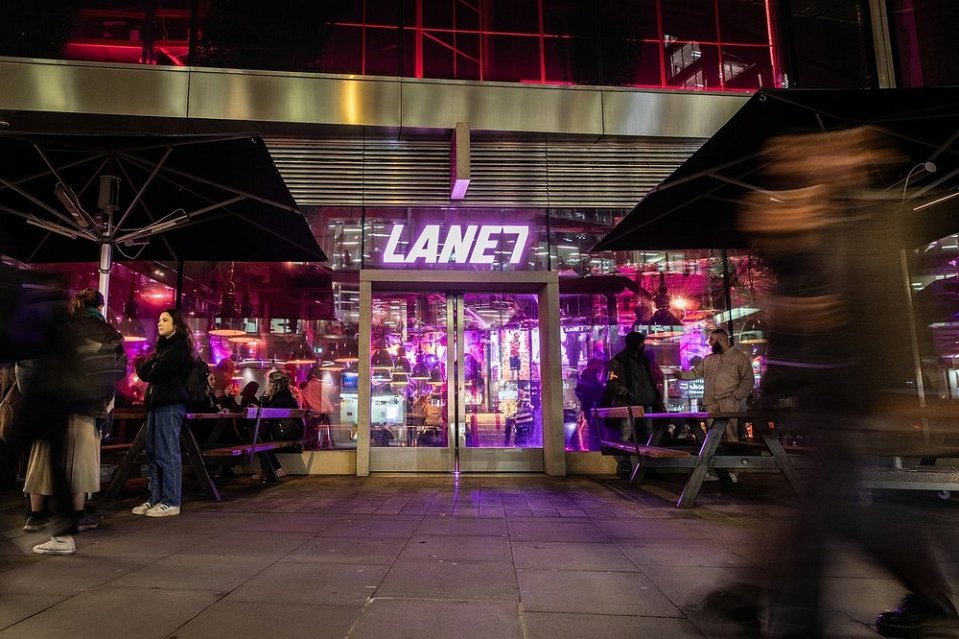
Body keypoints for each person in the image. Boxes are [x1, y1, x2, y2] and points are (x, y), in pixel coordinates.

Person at [733, 128, 958, 638]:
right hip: (828, 395)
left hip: (854, 394)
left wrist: (897, 388)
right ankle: (928, 601)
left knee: (826, 513)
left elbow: (889, 315)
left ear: (852, 161)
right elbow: (791, 318)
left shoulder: (869, 226)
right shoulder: (823, 226)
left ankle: (772, 609)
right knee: (833, 510)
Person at [23, 288, 126, 548]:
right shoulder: (108, 332)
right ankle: (77, 515)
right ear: (100, 307)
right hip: (88, 403)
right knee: (80, 461)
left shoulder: (61, 326)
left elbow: (32, 362)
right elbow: (119, 369)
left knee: (43, 458)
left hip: (51, 401)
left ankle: (36, 515)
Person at [133, 308, 193, 518]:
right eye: (159, 320)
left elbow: (155, 373)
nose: (159, 323)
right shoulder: (163, 348)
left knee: (167, 453)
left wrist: (147, 366)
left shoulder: (178, 347)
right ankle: (155, 497)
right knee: (153, 452)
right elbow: (146, 372)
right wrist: (148, 367)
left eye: (165, 320)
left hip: (169, 404)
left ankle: (171, 500)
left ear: (175, 324)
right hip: (157, 403)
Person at [603, 331, 665, 478]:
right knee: (627, 435)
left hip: (644, 404)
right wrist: (628, 393)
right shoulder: (618, 361)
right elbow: (612, 382)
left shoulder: (644, 360)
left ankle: (645, 467)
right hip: (629, 405)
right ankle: (626, 465)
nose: (643, 345)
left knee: (646, 436)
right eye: (641, 342)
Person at [675, 328, 754, 441]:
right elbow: (696, 373)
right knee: (713, 438)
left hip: (728, 403)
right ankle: (717, 457)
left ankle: (728, 457)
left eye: (712, 339)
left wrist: (735, 396)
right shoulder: (708, 359)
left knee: (730, 436)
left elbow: (748, 380)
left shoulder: (739, 358)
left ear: (721, 340)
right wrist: (681, 375)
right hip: (711, 403)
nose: (709, 342)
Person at [573, 358, 606, 451]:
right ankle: (596, 448)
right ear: (592, 365)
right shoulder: (589, 375)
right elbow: (596, 388)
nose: (599, 366)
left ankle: (594, 448)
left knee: (594, 429)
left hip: (589, 406)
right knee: (595, 429)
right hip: (592, 406)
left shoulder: (587, 375)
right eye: (597, 364)